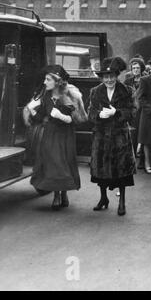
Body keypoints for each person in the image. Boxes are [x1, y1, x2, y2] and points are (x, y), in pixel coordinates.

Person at [28, 65, 87, 210]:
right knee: (53, 163)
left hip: (64, 136)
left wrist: (61, 116)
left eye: (48, 79)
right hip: (50, 134)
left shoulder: (66, 96)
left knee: (64, 163)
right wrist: (32, 110)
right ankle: (56, 195)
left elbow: (74, 120)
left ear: (56, 81)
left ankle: (64, 194)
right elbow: (41, 116)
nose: (44, 82)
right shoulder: (46, 97)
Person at [88, 57, 136, 216]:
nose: (109, 80)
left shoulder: (127, 90)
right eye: (105, 77)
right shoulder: (95, 91)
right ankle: (103, 198)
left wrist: (117, 112)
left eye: (112, 76)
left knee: (121, 170)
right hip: (101, 137)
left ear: (117, 75)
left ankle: (122, 201)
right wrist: (98, 114)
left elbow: (133, 112)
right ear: (101, 77)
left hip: (119, 137)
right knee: (100, 170)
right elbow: (90, 113)